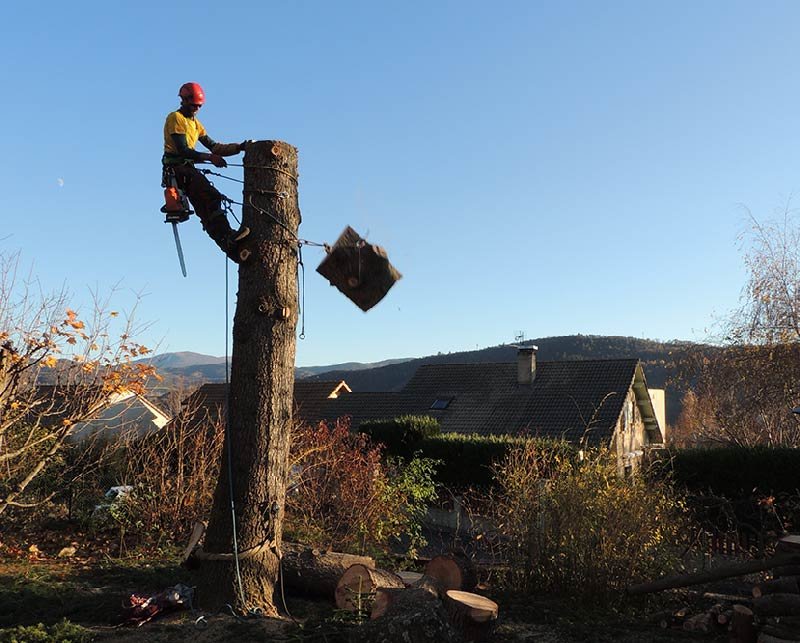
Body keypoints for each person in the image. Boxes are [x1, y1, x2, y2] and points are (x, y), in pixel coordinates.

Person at [162, 82, 249, 262]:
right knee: (209, 197)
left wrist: (240, 147)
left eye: (199, 106)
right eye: (193, 105)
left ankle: (230, 244)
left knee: (210, 200)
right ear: (184, 100)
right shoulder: (175, 118)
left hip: (187, 170)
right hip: (177, 170)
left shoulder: (196, 124)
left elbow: (215, 146)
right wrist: (210, 158)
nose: (196, 109)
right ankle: (227, 238)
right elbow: (183, 150)